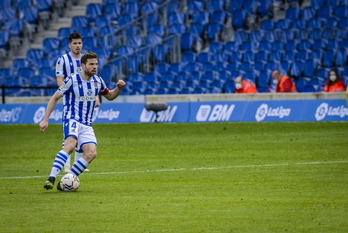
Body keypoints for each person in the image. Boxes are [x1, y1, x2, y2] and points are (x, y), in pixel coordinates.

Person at [41, 51, 126, 190]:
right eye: (91, 64)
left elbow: (110, 96)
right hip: (72, 119)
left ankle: (66, 180)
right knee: (70, 145)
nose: (94, 67)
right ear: (83, 65)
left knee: (91, 153)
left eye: (96, 64)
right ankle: (51, 177)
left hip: (86, 123)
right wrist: (45, 120)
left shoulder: (98, 81)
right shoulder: (72, 80)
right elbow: (55, 97)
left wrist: (118, 88)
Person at [56, 32, 100, 172]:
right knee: (70, 134)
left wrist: (96, 97)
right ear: (69, 45)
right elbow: (60, 80)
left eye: (79, 43)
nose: (77, 46)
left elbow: (92, 82)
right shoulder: (62, 60)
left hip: (85, 99)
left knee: (83, 126)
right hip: (70, 98)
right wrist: (66, 93)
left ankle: (78, 161)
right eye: (74, 43)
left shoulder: (86, 59)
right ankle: (66, 165)